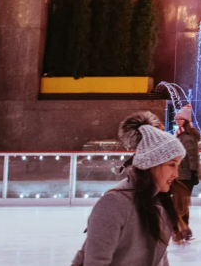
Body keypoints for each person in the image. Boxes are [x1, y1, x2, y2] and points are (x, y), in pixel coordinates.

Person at [72, 112, 186, 265]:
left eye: (178, 165)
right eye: (172, 165)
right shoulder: (113, 204)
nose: (176, 174)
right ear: (151, 164)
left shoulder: (158, 203)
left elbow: (159, 259)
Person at [173, 105, 201, 240]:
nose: (177, 120)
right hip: (180, 174)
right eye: (176, 118)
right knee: (180, 203)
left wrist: (194, 173)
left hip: (186, 175)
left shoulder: (187, 137)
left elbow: (192, 156)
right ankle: (182, 229)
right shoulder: (180, 134)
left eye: (180, 118)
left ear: (186, 120)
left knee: (181, 203)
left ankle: (184, 230)